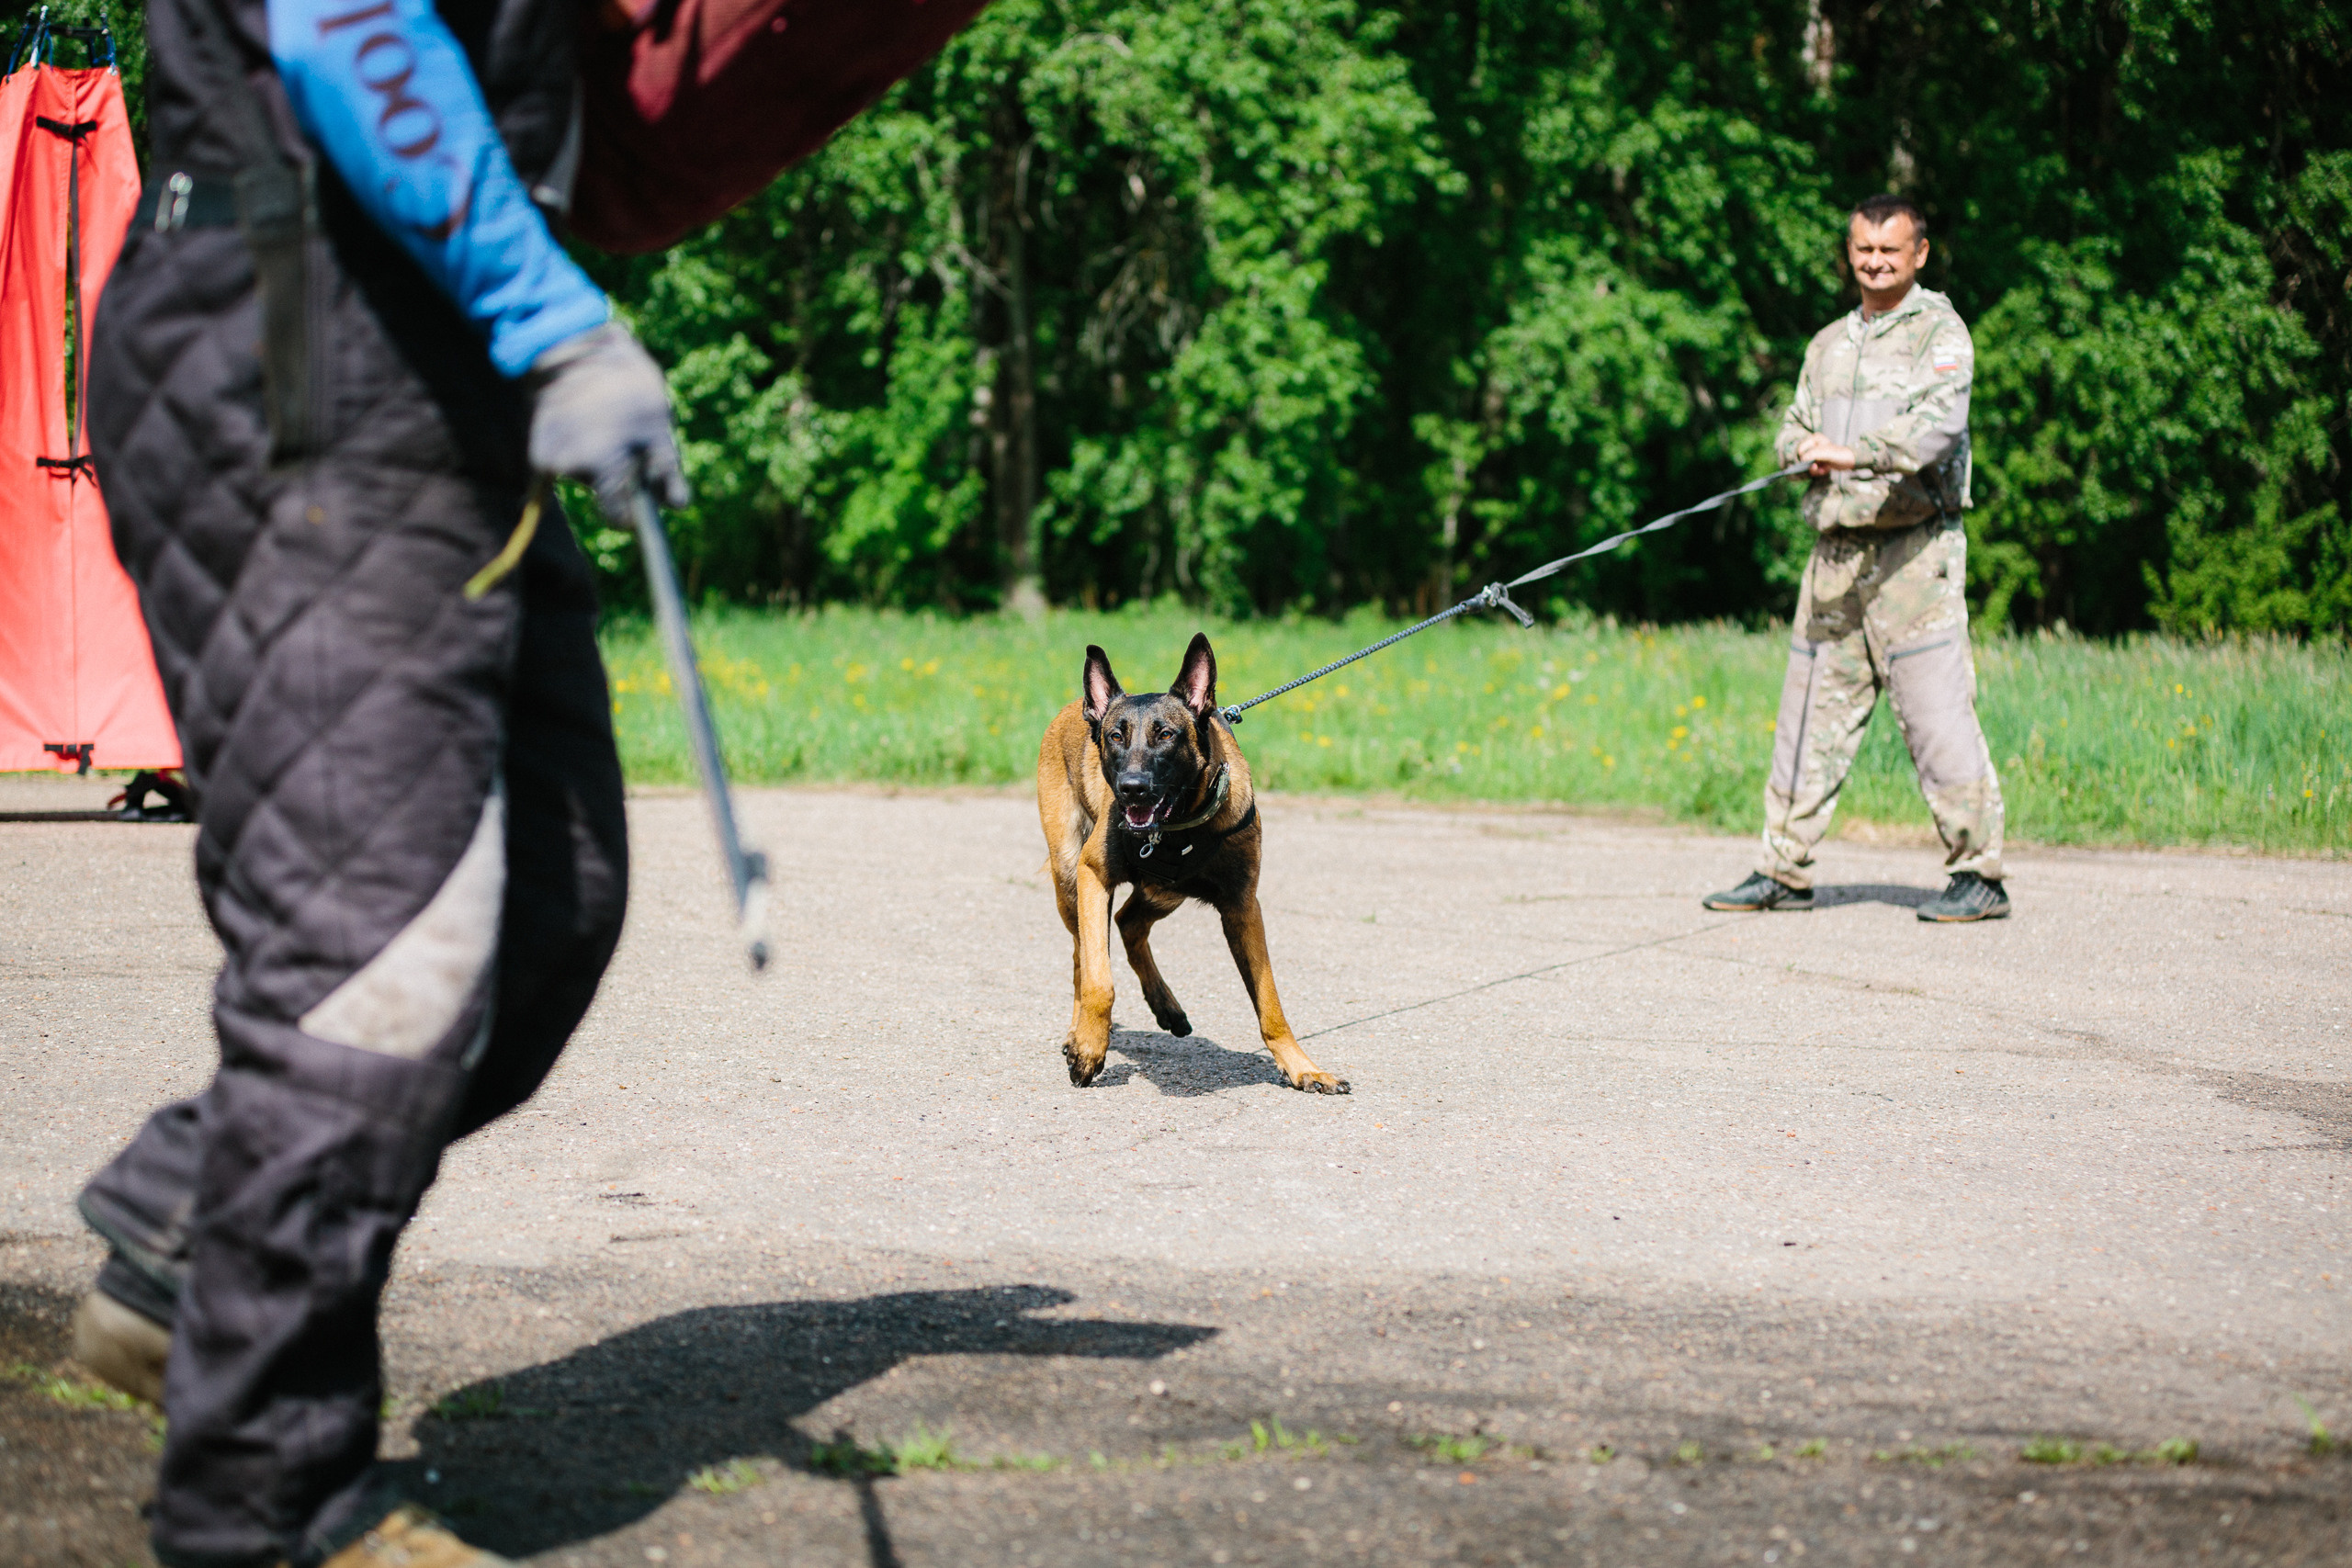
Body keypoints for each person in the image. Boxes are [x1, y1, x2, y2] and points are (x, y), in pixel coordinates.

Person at [67, 0, 688, 1561]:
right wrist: (548, 312)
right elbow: (341, 16)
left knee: (552, 902)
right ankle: (267, 1509)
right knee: (376, 962)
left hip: (440, 362)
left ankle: (190, 1216)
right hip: (295, 325)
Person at [1704, 195, 2008, 923]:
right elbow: (1795, 426)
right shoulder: (1827, 344)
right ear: (1850, 254)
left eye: (1891, 252)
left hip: (1914, 556)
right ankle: (1782, 869)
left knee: (1938, 720)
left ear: (1920, 255)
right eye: (1864, 251)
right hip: (1835, 558)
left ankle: (1979, 875)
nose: (1875, 263)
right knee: (1806, 718)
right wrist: (1799, 454)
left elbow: (1940, 427)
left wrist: (1854, 453)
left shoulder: (1941, 331)